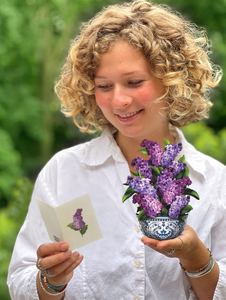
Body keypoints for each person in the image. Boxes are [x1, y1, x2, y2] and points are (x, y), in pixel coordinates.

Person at [7, 1, 226, 299]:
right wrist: (50, 281)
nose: (119, 100)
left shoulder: (215, 182)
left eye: (134, 82)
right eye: (104, 86)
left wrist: (197, 258)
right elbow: (21, 280)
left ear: (172, 79)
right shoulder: (64, 172)